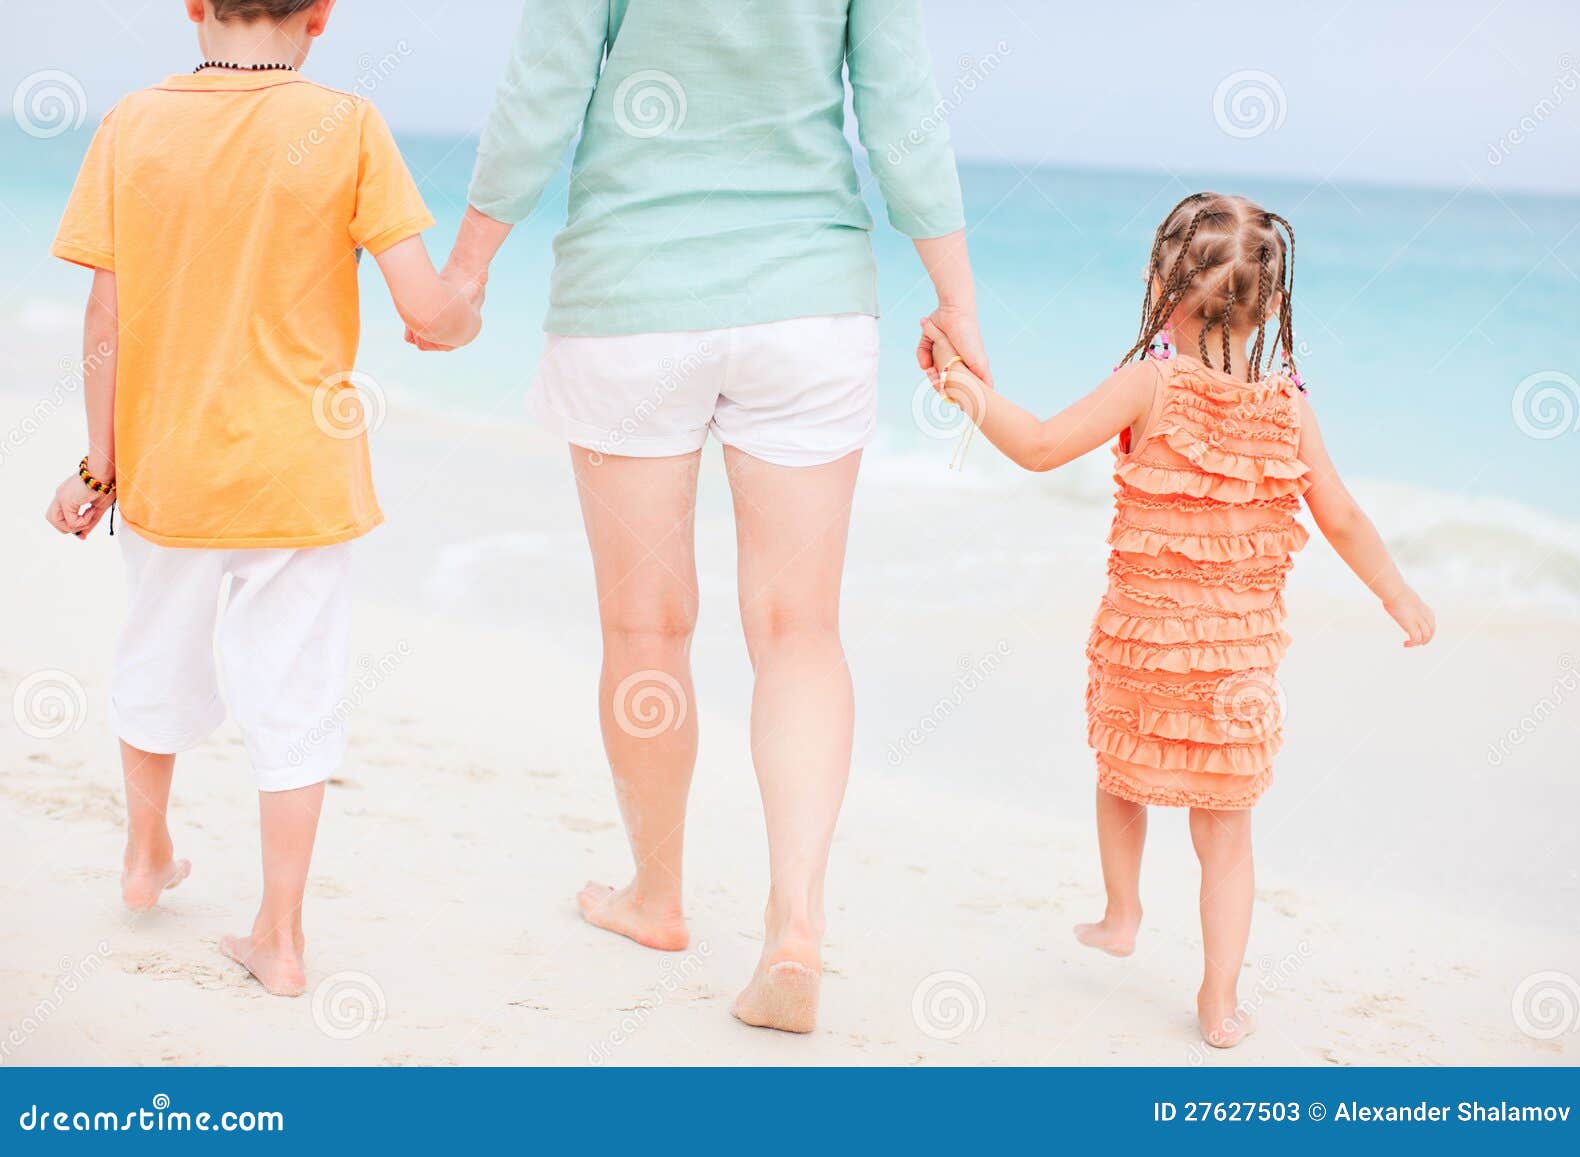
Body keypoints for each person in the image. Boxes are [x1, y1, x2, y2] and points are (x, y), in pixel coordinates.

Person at [428, 0, 989, 1033]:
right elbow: (900, 103)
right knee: (799, 628)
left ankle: (656, 894)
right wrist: (954, 296)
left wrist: (466, 271)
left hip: (633, 298)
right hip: (807, 301)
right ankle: (795, 925)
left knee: (647, 623)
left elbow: (543, 89)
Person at [920, 192, 1436, 1047]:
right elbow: (1340, 515)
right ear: (1271, 304)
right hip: (1237, 666)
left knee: (1121, 774)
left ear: (1164, 278)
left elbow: (1043, 445)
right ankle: (1219, 1000)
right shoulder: (1288, 406)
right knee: (1225, 834)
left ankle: (1122, 914)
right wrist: (1397, 593)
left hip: (1143, 646)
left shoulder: (1150, 381)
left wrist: (959, 386)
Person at [44, 0, 483, 997]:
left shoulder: (132, 123)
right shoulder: (351, 126)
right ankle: (280, 937)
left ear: (194, 5)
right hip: (301, 477)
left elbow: (106, 310)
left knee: (154, 658)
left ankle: (146, 854)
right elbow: (427, 307)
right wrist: (460, 313)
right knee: (294, 697)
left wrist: (97, 467)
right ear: (321, 16)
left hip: (169, 470)